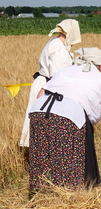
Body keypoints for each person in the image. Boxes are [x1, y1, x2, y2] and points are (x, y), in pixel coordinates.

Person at [28, 47, 101, 194]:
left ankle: (40, 197)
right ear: (99, 66)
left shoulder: (64, 71)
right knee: (67, 168)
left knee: (43, 160)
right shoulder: (99, 78)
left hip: (38, 113)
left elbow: (41, 94)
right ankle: (66, 202)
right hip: (67, 118)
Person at [20, 19, 81, 147]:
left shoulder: (56, 43)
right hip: (48, 87)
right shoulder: (57, 47)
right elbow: (57, 75)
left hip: (48, 85)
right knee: (45, 124)